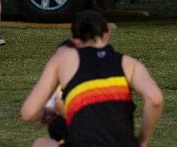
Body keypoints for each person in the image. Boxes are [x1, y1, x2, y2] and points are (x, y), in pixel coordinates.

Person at [20, 10, 164, 147]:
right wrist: (142, 140)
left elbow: (28, 113)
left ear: (75, 41)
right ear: (107, 34)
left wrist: (52, 111)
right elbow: (155, 99)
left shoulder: (63, 60)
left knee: (41, 143)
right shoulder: (130, 64)